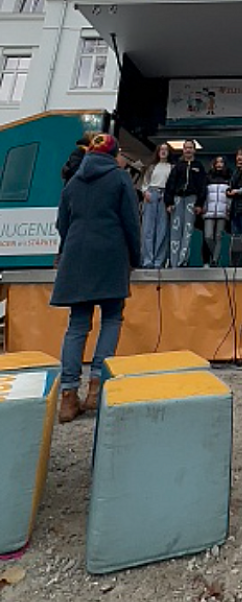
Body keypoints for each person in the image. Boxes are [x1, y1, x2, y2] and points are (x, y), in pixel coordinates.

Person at [51, 133, 141, 423]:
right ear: (114, 155)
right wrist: (135, 257)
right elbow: (131, 220)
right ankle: (96, 389)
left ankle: (68, 396)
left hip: (77, 257)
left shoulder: (73, 182)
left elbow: (61, 223)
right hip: (111, 254)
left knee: (77, 324)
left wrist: (72, 247)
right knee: (112, 318)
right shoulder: (119, 178)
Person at [164, 140, 207, 268]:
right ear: (183, 150)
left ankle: (183, 260)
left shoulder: (199, 166)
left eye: (190, 148)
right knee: (175, 229)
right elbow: (170, 184)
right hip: (178, 199)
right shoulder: (178, 166)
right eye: (186, 148)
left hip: (191, 199)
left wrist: (199, 203)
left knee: (188, 230)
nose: (188, 150)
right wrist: (169, 202)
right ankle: (173, 261)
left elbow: (202, 186)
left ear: (194, 150)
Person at [140, 142, 173, 268]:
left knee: (162, 229)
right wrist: (145, 192)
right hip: (152, 193)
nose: (163, 152)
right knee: (148, 229)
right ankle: (148, 260)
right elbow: (145, 181)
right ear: (158, 152)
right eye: (161, 149)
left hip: (165, 194)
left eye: (166, 150)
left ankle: (159, 261)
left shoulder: (172, 167)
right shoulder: (151, 167)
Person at [203, 156, 231, 266]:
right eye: (217, 162)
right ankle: (215, 254)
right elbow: (204, 194)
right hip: (208, 211)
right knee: (208, 236)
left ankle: (215, 260)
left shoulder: (229, 178)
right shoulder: (208, 177)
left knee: (219, 236)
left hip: (223, 211)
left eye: (221, 162)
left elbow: (230, 197)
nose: (219, 164)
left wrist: (228, 208)